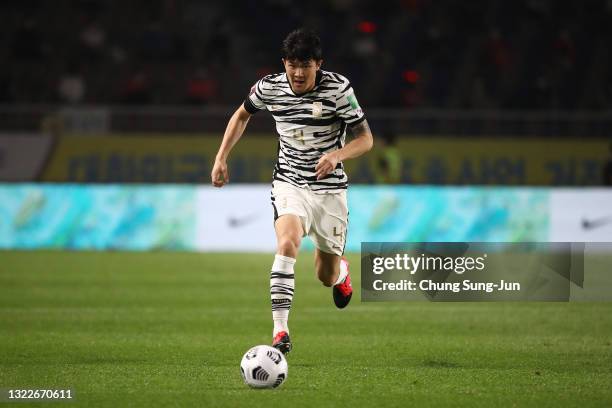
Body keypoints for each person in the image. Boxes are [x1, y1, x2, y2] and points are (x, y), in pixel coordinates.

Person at [211, 28, 373, 355]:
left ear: (319, 64)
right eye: (293, 64)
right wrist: (221, 156)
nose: (298, 73)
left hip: (329, 192)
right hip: (289, 183)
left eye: (306, 65)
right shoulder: (268, 88)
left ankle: (341, 270)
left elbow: (365, 139)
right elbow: (241, 115)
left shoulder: (339, 90)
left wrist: (336, 155)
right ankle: (280, 330)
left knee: (325, 276)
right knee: (287, 242)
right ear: (284, 62)